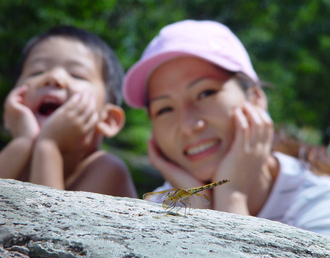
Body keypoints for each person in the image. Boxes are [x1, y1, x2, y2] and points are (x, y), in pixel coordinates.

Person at [123, 20, 330, 235]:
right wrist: (195, 207)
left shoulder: (319, 203)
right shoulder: (159, 206)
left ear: (255, 98)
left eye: (205, 93)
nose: (188, 126)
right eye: (165, 109)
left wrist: (231, 195)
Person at [0, 26, 137, 198]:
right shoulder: (16, 157)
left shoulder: (106, 168)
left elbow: (47, 222)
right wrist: (23, 141)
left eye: (77, 75)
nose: (54, 77)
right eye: (37, 71)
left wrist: (49, 146)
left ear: (108, 120)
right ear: (9, 113)